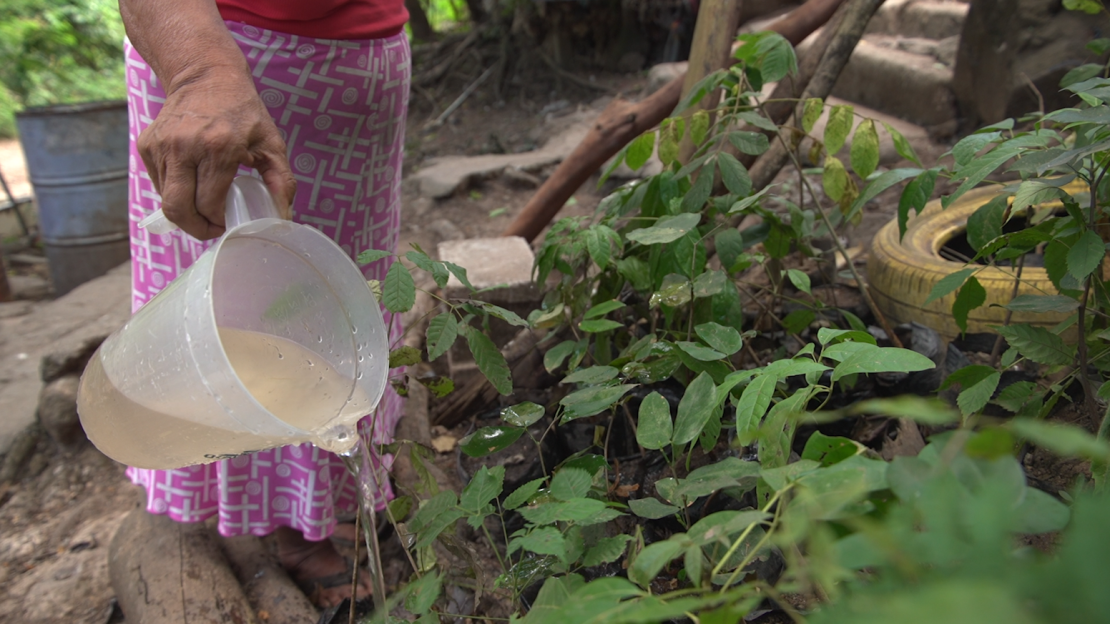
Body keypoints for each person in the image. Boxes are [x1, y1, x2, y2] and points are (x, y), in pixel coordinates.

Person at [119, 0, 410, 607]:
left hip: (363, 59)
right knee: (248, 316)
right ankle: (292, 531)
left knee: (346, 297)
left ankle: (332, 496)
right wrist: (202, 75)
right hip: (222, 82)